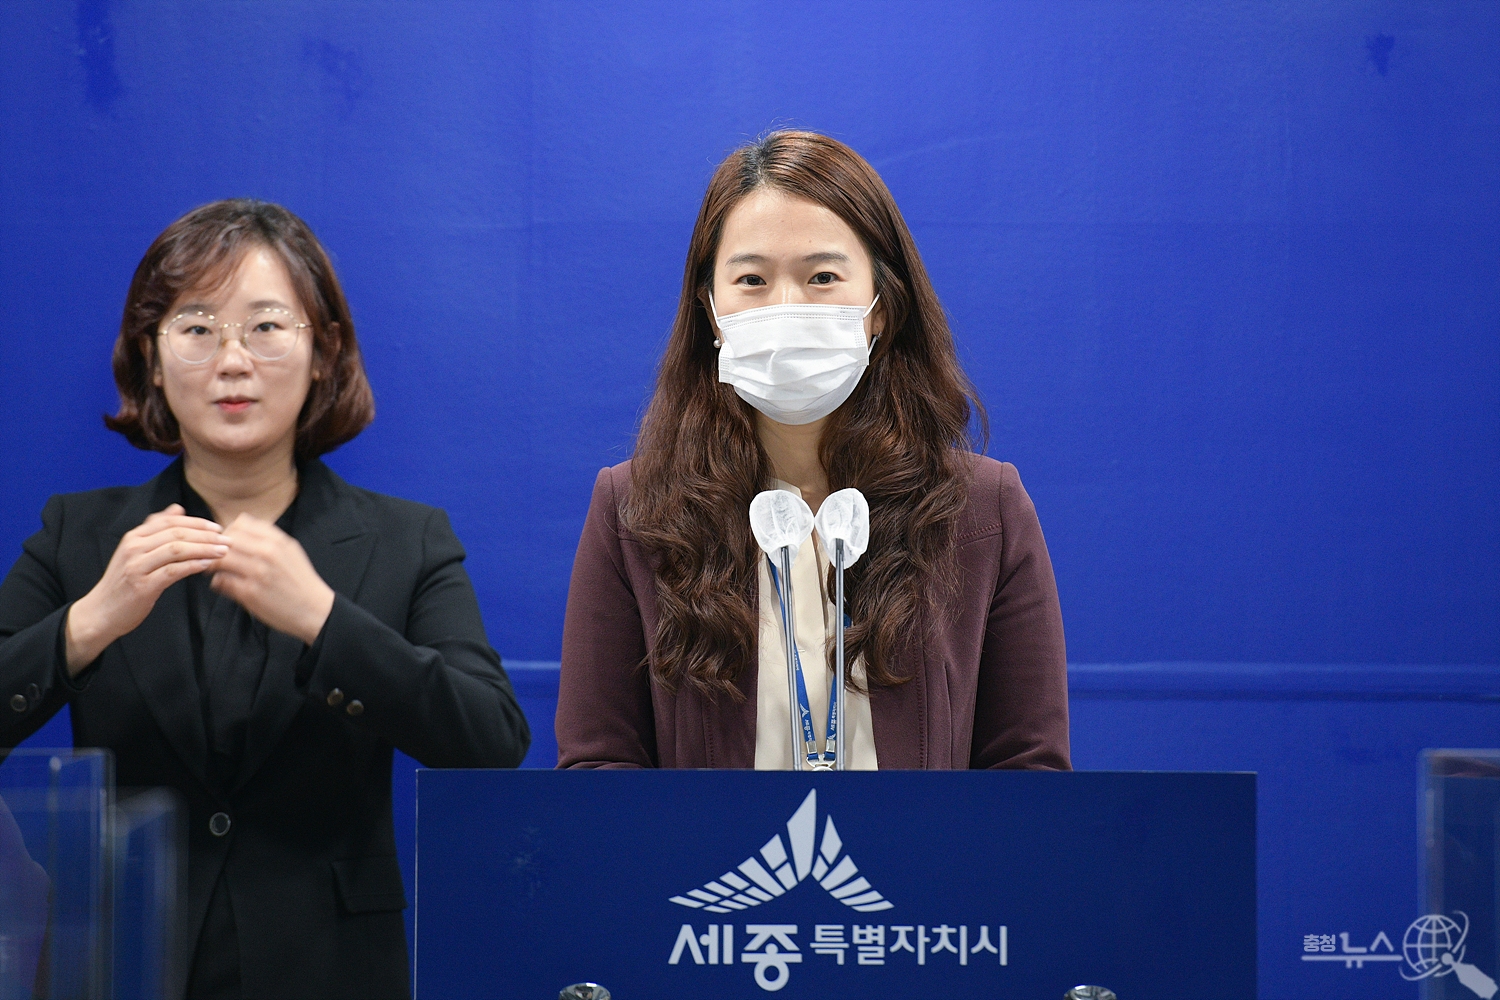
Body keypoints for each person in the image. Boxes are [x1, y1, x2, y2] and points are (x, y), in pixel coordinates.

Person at [0, 200, 530, 999]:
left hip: (333, 970)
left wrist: (325, 619)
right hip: (131, 963)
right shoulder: (79, 536)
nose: (232, 360)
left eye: (266, 327)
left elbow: (491, 740)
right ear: (151, 357)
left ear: (324, 353)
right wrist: (89, 622)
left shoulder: (407, 540)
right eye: (197, 327)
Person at [557, 131, 1070, 771]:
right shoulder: (632, 511)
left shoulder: (985, 511)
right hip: (719, 847)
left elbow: (1029, 772)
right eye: (751, 279)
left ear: (883, 306)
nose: (787, 308)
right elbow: (598, 769)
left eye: (822, 277)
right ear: (711, 311)